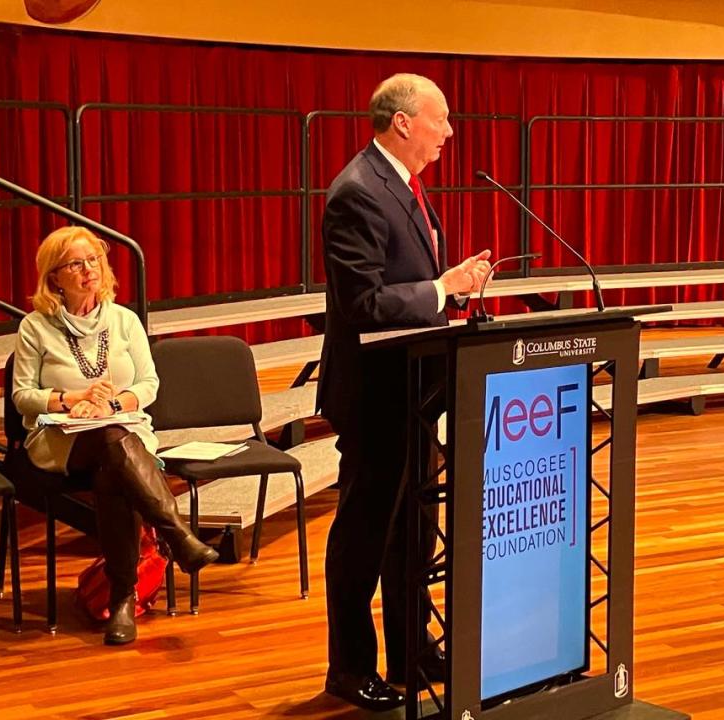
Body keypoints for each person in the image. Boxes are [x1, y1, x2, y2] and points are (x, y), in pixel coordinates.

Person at [317, 73, 492, 711]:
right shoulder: (357, 193)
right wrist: (442, 289)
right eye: (440, 119)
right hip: (376, 396)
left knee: (412, 531)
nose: (449, 131)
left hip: (415, 389)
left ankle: (411, 646)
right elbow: (362, 303)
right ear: (402, 123)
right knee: (365, 532)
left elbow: (411, 284)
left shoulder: (405, 186)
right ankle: (350, 667)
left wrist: (455, 285)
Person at [12, 225, 218, 645]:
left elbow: (148, 384)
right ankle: (177, 535)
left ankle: (122, 601)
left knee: (113, 461)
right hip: (61, 440)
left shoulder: (124, 320)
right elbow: (21, 396)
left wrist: (111, 405)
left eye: (95, 260)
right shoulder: (35, 326)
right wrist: (71, 399)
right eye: (76, 263)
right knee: (114, 444)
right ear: (55, 277)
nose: (89, 269)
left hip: (119, 430)